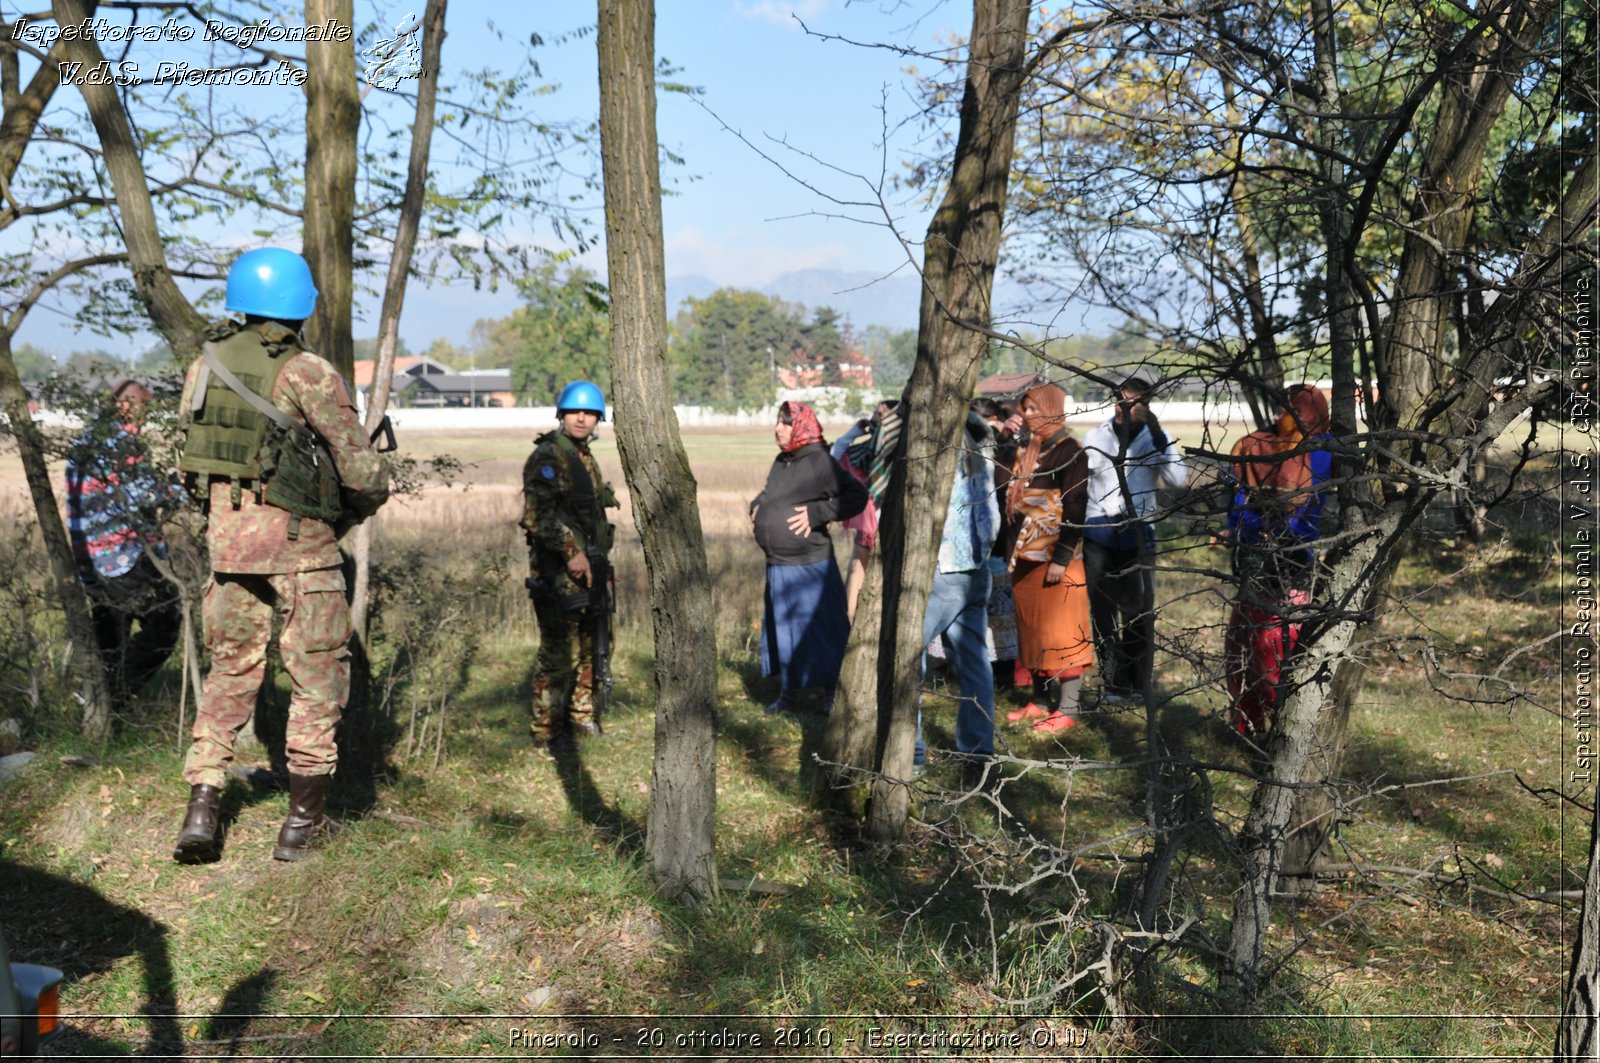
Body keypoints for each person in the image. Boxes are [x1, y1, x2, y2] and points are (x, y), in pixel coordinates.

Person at [172, 247, 390, 865]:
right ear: (298, 305)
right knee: (317, 679)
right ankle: (302, 827)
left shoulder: (204, 367)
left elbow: (192, 463)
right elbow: (362, 470)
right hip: (301, 553)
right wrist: (356, 506)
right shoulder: (308, 371)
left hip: (228, 551)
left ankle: (202, 811)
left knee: (230, 674)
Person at [1221, 385, 1333, 735]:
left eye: (1284, 410)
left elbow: (1306, 515)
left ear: (1307, 414)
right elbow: (1234, 503)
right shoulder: (1252, 446)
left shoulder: (1323, 452)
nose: (1274, 417)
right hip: (1251, 559)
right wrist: (1246, 528)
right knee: (1240, 647)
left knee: (1273, 651)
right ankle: (1249, 727)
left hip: (1292, 564)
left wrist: (1274, 532)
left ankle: (1284, 733)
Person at [64, 379, 182, 710]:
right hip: (123, 557)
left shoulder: (86, 439)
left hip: (90, 559)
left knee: (111, 639)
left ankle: (99, 709)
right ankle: (114, 697)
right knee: (165, 625)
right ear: (128, 406)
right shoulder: (124, 444)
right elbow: (142, 496)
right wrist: (178, 488)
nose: (146, 419)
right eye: (145, 408)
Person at [751, 400, 868, 714]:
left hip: (810, 566)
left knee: (821, 630)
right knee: (785, 630)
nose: (779, 428)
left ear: (801, 426)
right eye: (778, 421)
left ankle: (831, 694)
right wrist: (758, 504)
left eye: (786, 423)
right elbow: (770, 493)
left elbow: (857, 496)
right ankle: (791, 695)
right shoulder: (782, 460)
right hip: (779, 564)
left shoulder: (820, 462)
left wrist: (818, 512)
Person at [521, 380, 619, 752]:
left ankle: (580, 717)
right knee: (558, 653)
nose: (582, 418)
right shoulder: (550, 456)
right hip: (556, 574)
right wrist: (571, 553)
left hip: (588, 570)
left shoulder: (583, 458)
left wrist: (600, 564)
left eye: (589, 413)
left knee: (593, 645)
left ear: (598, 420)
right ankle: (546, 732)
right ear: (562, 415)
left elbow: (586, 517)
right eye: (575, 412)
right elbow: (537, 517)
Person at [1080, 371, 1189, 704]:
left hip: (1138, 530)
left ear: (1146, 403)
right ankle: (1114, 685)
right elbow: (1081, 483)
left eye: (1134, 397)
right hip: (1098, 530)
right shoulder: (1094, 437)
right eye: (1121, 396)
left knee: (1138, 610)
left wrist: (1155, 431)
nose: (1125, 403)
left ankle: (1138, 683)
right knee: (1102, 611)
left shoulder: (1158, 437)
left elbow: (1177, 479)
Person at [1000, 383, 1095, 734]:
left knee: (1063, 632)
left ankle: (1068, 708)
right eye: (1024, 409)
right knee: (1033, 629)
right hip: (1023, 556)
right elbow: (1001, 490)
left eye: (1033, 409)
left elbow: (1076, 506)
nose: (1026, 415)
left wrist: (1062, 556)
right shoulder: (1027, 449)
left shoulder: (1070, 451)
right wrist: (1004, 443)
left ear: (1052, 409)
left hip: (1056, 557)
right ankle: (1040, 702)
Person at [913, 408, 1002, 779]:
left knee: (908, 662)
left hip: (942, 569)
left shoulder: (937, 460)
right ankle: (979, 753)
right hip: (977, 569)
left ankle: (911, 752)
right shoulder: (983, 456)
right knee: (975, 663)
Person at [832, 400, 899, 622]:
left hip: (880, 519)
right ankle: (850, 617)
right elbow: (835, 456)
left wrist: (853, 433)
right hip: (870, 520)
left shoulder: (893, 447)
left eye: (882, 414)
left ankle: (852, 619)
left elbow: (836, 454)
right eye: (875, 413)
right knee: (858, 568)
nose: (876, 418)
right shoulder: (867, 448)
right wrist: (855, 432)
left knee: (861, 569)